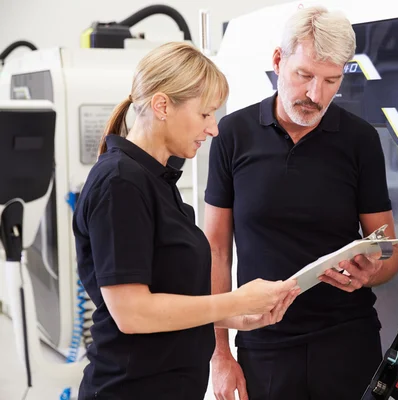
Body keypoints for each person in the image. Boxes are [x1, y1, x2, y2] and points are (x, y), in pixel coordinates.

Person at [72, 42, 300, 400]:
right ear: (162, 105)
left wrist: (240, 318)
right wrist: (236, 302)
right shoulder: (120, 182)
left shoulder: (156, 181)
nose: (214, 129)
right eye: (206, 114)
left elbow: (168, 298)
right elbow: (132, 313)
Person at [205, 6, 398, 400]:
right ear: (278, 60)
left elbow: (389, 253)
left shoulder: (360, 140)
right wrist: (220, 355)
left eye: (331, 80)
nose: (316, 95)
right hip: (264, 345)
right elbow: (216, 253)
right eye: (305, 75)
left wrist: (371, 272)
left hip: (348, 341)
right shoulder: (232, 135)